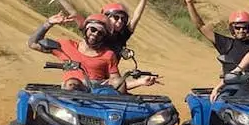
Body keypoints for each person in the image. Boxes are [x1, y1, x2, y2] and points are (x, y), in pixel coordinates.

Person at [27, 12, 157, 92]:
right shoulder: (66, 46)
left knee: (118, 82)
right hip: (70, 97)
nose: (95, 34)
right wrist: (48, 23)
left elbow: (116, 83)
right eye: (93, 29)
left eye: (101, 33)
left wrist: (140, 82)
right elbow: (33, 43)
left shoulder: (108, 55)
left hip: (98, 95)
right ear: (86, 30)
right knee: (73, 83)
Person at [42, 0, 154, 56]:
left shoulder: (122, 35)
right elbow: (74, 13)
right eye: (116, 17)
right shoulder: (94, 28)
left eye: (123, 19)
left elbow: (136, 17)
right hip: (85, 71)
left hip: (108, 76)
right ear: (107, 17)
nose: (120, 21)